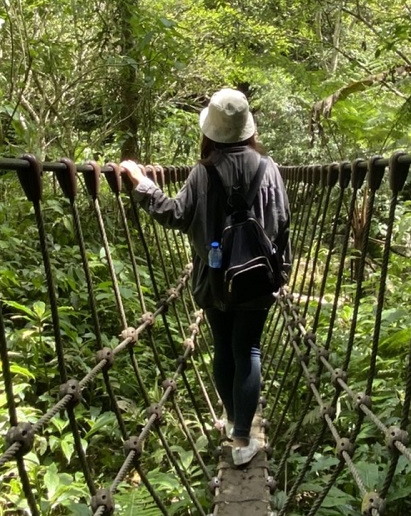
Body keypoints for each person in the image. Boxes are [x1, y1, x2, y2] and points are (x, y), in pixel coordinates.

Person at [120, 88, 291, 466]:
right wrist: (281, 271)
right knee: (248, 348)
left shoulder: (203, 171)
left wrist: (141, 183)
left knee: (224, 347)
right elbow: (281, 225)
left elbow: (174, 214)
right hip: (258, 279)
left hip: (214, 280)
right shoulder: (270, 169)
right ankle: (244, 437)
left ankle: (234, 421)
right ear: (248, 129)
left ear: (211, 132)